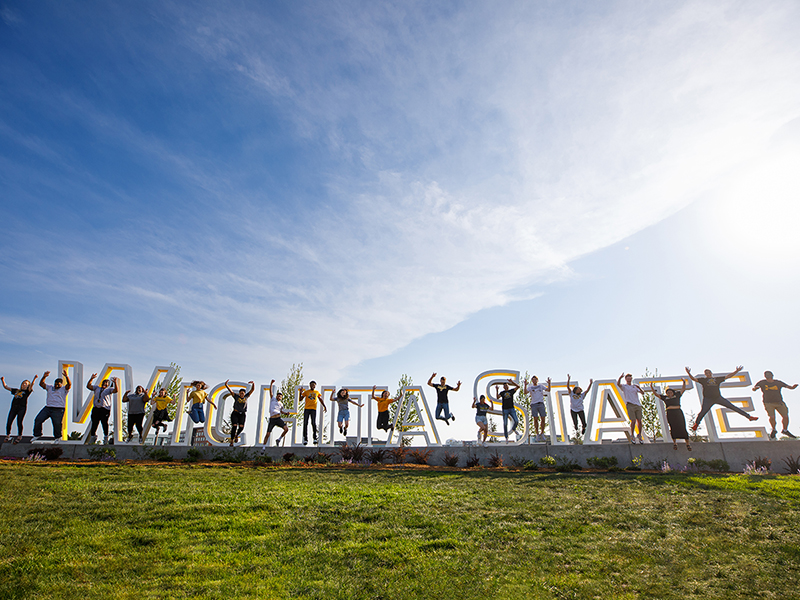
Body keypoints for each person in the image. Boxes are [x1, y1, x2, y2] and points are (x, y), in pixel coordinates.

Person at [685, 366, 758, 431]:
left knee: (733, 407)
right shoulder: (703, 380)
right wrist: (689, 373)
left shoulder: (717, 379)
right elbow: (694, 379)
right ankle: (696, 424)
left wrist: (736, 371)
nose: (708, 374)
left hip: (718, 398)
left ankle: (749, 417)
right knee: (703, 412)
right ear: (705, 374)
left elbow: (728, 376)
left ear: (711, 373)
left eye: (709, 372)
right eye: (706, 373)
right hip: (708, 399)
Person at [752, 371, 798, 439]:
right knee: (772, 417)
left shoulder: (778, 382)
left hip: (779, 402)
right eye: (767, 377)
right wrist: (755, 388)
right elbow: (754, 388)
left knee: (785, 416)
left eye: (770, 377)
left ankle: (785, 430)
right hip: (768, 403)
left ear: (772, 376)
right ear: (765, 377)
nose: (769, 379)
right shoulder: (762, 382)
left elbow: (788, 387)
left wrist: (793, 387)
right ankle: (774, 429)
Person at [649, 380, 692, 451]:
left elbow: (683, 389)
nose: (669, 393)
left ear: (673, 392)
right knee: (673, 427)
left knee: (682, 426)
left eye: (670, 392)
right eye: (668, 392)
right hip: (670, 413)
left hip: (678, 412)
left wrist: (684, 382)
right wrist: (651, 387)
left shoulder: (677, 396)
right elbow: (656, 394)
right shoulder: (665, 398)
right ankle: (675, 443)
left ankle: (687, 443)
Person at [32, 369, 71, 441]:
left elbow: (69, 385)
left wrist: (66, 377)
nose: (56, 385)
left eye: (58, 384)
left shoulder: (64, 389)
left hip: (58, 408)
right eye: (56, 383)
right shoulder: (50, 387)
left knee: (57, 423)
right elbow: (42, 384)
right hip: (48, 407)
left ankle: (58, 437)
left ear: (61, 384)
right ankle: (37, 434)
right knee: (38, 419)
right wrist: (44, 377)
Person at [2, 374, 37, 443]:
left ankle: (19, 435)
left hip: (22, 408)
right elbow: (6, 387)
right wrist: (2, 380)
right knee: (9, 421)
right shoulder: (16, 391)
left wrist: (34, 378)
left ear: (28, 386)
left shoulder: (27, 392)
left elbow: (32, 384)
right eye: (23, 383)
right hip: (13, 408)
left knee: (19, 421)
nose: (24, 384)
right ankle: (8, 435)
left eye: (26, 384)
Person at [86, 373, 119, 444]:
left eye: (106, 383)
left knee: (104, 423)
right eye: (104, 382)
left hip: (105, 409)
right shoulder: (97, 388)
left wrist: (115, 382)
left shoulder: (109, 389)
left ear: (108, 384)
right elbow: (88, 386)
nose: (105, 384)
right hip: (96, 408)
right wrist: (91, 378)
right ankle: (93, 437)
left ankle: (106, 437)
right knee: (94, 423)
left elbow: (116, 390)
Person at [224, 380, 255, 446]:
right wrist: (226, 385)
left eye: (243, 393)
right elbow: (231, 391)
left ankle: (236, 435)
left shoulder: (246, 397)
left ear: (244, 393)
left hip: (242, 414)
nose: (242, 394)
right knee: (234, 426)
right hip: (235, 413)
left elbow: (252, 390)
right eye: (241, 393)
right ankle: (232, 441)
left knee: (241, 427)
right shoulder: (236, 397)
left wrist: (253, 383)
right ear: (239, 393)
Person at [618, 373, 646, 444]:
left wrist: (639, 388)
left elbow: (642, 393)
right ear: (626, 379)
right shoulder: (624, 386)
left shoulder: (634, 386)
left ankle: (639, 435)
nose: (629, 378)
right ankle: (632, 435)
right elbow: (618, 384)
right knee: (633, 421)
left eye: (630, 377)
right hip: (630, 405)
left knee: (639, 420)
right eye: (628, 377)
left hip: (637, 405)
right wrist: (620, 377)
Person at [264, 380, 293, 446]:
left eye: (280, 396)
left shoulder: (281, 404)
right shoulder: (273, 399)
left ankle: (279, 439)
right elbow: (270, 392)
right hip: (272, 419)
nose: (279, 397)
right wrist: (271, 384)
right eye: (278, 396)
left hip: (278, 418)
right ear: (276, 396)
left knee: (286, 429)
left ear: (281, 398)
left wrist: (286, 413)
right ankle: (263, 446)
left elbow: (281, 411)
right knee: (268, 433)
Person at [524, 375, 550, 442]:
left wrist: (549, 383)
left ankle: (542, 433)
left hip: (541, 403)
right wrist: (525, 385)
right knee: (535, 419)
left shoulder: (541, 386)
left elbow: (548, 390)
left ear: (537, 380)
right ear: (532, 381)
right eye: (533, 380)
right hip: (534, 404)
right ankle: (537, 433)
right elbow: (525, 392)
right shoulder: (530, 387)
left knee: (543, 418)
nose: (534, 381)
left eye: (535, 379)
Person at [299, 380, 326, 445]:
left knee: (313, 423)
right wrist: (300, 392)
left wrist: (324, 406)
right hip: (307, 409)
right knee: (305, 423)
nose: (313, 386)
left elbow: (320, 399)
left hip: (313, 409)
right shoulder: (306, 392)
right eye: (311, 385)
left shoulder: (317, 392)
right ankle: (305, 438)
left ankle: (314, 438)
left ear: (315, 386)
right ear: (310, 385)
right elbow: (300, 399)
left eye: (314, 385)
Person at [566, 374, 593, 441]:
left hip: (580, 410)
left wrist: (590, 383)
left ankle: (583, 428)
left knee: (584, 423)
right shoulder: (572, 394)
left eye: (580, 389)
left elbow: (587, 390)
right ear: (575, 390)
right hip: (573, 410)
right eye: (578, 389)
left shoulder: (582, 395)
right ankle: (576, 427)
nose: (580, 390)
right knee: (575, 422)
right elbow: (568, 387)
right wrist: (568, 379)